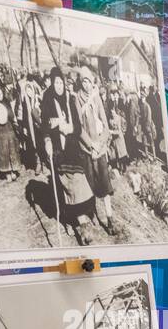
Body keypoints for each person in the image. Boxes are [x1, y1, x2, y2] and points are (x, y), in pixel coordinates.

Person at [39, 66, 100, 245]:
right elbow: (43, 125)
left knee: (80, 185)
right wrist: (48, 140)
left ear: (64, 83)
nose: (58, 85)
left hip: (72, 149)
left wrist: (69, 127)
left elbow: (79, 127)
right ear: (52, 82)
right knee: (64, 188)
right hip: (58, 151)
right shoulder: (47, 99)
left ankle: (84, 219)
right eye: (56, 82)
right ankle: (69, 221)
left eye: (61, 82)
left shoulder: (70, 99)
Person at [76, 67, 115, 233]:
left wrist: (101, 142)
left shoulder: (96, 97)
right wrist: (91, 145)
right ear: (81, 82)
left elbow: (105, 123)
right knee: (90, 184)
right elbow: (79, 128)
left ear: (93, 83)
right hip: (87, 149)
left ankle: (109, 218)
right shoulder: (77, 99)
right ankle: (91, 213)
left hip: (100, 148)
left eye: (89, 81)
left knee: (105, 185)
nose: (86, 85)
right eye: (83, 81)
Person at [0, 83, 20, 180]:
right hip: (0, 132)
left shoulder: (6, 102)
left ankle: (13, 170)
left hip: (9, 129)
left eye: (1, 93)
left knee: (12, 150)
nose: (0, 95)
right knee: (3, 152)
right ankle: (7, 172)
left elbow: (11, 116)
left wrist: (9, 113)